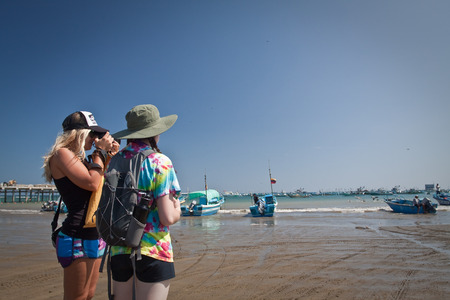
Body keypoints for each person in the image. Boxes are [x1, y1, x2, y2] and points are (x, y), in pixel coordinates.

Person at [42, 111, 119, 300]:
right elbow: (92, 183)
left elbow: (103, 186)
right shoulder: (61, 155)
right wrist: (99, 152)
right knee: (76, 297)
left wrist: (110, 156)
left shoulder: (83, 160)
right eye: (92, 134)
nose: (94, 139)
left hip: (95, 233)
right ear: (78, 133)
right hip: (76, 235)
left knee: (88, 295)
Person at [110, 104, 181, 300]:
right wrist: (178, 208)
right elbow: (167, 218)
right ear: (154, 132)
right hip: (153, 249)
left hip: (118, 249)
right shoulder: (160, 161)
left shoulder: (114, 161)